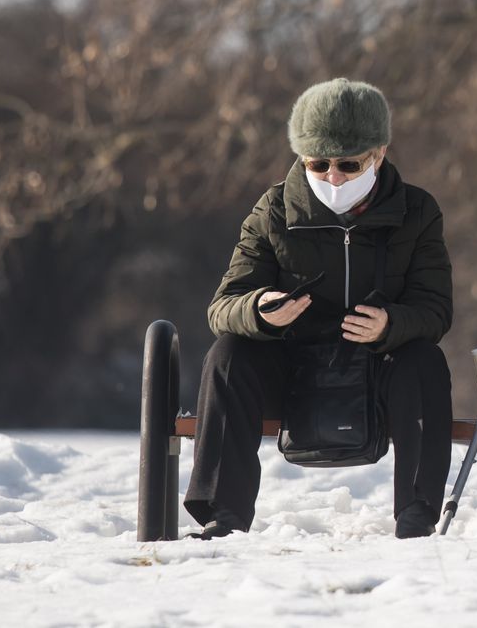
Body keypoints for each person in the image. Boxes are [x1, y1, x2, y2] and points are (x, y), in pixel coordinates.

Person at [184, 78, 453, 539]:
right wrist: (259, 311)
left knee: (425, 359)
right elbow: (223, 307)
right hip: (292, 365)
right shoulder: (272, 209)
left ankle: (416, 514)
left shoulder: (417, 211)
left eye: (349, 164)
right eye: (318, 163)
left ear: (379, 154)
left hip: (378, 366)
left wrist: (390, 325)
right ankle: (222, 517)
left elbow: (435, 308)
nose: (332, 177)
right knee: (227, 356)